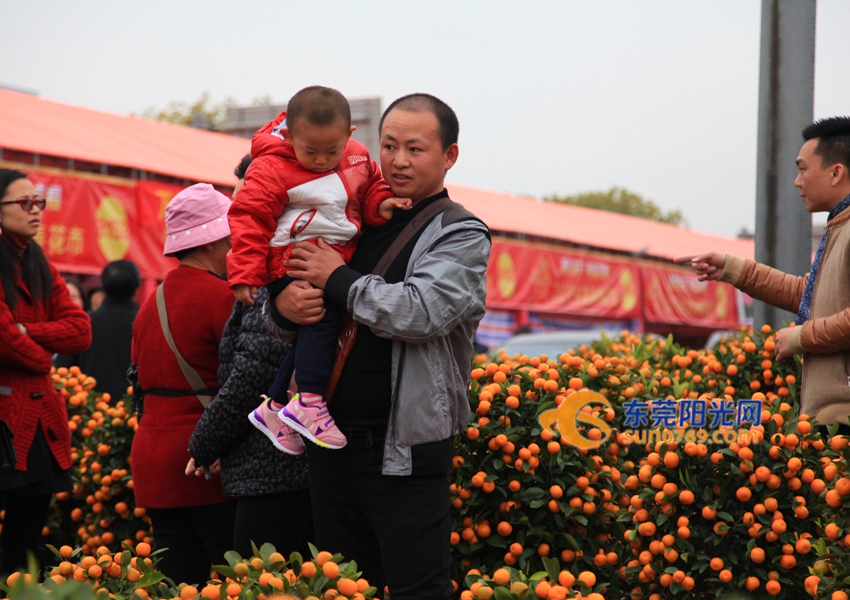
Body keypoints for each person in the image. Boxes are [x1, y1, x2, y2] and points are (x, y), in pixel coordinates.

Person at [267, 94, 490, 599]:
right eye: (389, 146)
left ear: (449, 156)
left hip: (404, 452)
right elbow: (296, 311)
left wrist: (339, 277)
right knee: (343, 588)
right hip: (330, 445)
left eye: (416, 148)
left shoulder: (459, 231)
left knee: (418, 588)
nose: (399, 160)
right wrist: (283, 310)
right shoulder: (353, 216)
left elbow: (420, 311)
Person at [227, 85, 409, 451]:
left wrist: (381, 205)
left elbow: (370, 187)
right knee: (321, 321)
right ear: (290, 136)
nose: (323, 160)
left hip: (332, 257)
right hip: (289, 259)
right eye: (310, 151)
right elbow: (249, 217)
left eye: (333, 150)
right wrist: (245, 272)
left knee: (321, 326)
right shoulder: (270, 167)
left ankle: (276, 407)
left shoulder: (357, 158)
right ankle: (309, 401)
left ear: (350, 135)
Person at [678, 116, 850, 431]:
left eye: (802, 169)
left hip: (842, 417)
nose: (797, 182)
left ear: (836, 172)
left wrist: (800, 337)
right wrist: (731, 268)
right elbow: (810, 295)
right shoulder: (840, 226)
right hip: (831, 414)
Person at [127, 183, 236, 586]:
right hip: (203, 460)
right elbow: (239, 381)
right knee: (231, 576)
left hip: (153, 459)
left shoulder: (148, 304)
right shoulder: (222, 297)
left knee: (176, 580)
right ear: (216, 240)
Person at [0, 169, 92, 575]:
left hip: (39, 418)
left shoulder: (38, 262)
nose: (36, 210)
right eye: (24, 203)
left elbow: (81, 330)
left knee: (28, 528)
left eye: (38, 201)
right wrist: (41, 355)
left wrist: (28, 332)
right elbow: (2, 337)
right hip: (7, 415)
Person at [55, 260, 141, 402]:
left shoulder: (84, 323)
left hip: (88, 413)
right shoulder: (146, 325)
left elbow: (61, 372)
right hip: (134, 412)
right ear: (136, 289)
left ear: (104, 288)